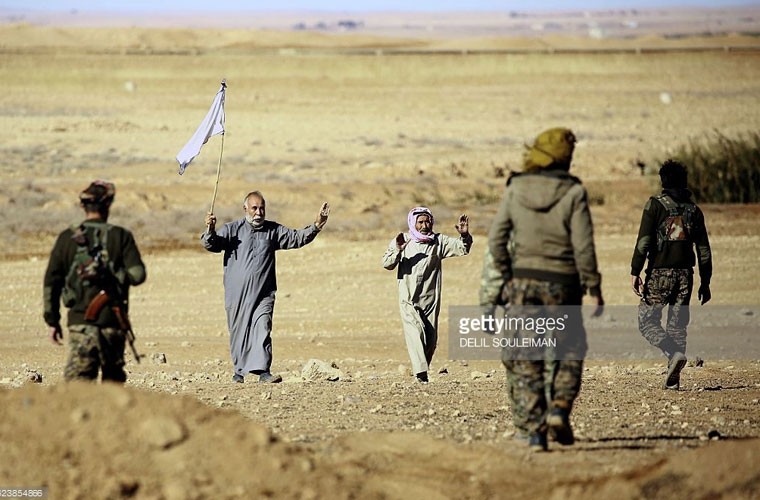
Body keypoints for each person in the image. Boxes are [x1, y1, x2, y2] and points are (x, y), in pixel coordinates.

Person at [486, 127, 604, 451]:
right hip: (563, 283)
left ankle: (536, 432)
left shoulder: (516, 187)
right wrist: (593, 285)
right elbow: (583, 245)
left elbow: (496, 238)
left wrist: (509, 274)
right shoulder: (574, 192)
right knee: (569, 348)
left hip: (522, 281)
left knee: (525, 355)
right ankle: (559, 407)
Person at [203, 191, 330, 384]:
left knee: (263, 327)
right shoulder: (232, 229)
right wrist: (210, 230)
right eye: (254, 208)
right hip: (237, 296)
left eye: (262, 208)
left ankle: (263, 371)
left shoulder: (273, 230)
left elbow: (297, 238)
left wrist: (317, 224)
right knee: (239, 331)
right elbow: (212, 244)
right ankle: (239, 372)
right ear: (245, 209)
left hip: (264, 294)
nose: (258, 212)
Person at [43, 180, 147, 383]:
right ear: (108, 204)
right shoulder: (120, 236)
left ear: (83, 206)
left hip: (80, 324)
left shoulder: (67, 238)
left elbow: (51, 282)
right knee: (112, 388)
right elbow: (138, 275)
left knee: (78, 387)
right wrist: (117, 275)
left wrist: (52, 320)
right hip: (112, 323)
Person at [631, 159, 712, 390]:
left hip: (659, 275)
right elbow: (704, 250)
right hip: (686, 276)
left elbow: (644, 241)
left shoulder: (654, 205)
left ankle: (673, 353)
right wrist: (705, 282)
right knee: (677, 326)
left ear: (663, 181)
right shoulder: (694, 211)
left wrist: (635, 271)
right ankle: (673, 378)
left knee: (647, 322)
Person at [382, 207, 472, 384]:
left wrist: (465, 236)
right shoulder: (403, 240)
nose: (424, 225)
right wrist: (399, 251)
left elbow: (463, 248)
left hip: (430, 299)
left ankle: (422, 370)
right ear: (413, 223)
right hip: (408, 298)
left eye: (427, 221)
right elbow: (386, 263)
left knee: (430, 339)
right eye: (420, 222)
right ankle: (421, 373)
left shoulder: (439, 241)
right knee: (415, 331)